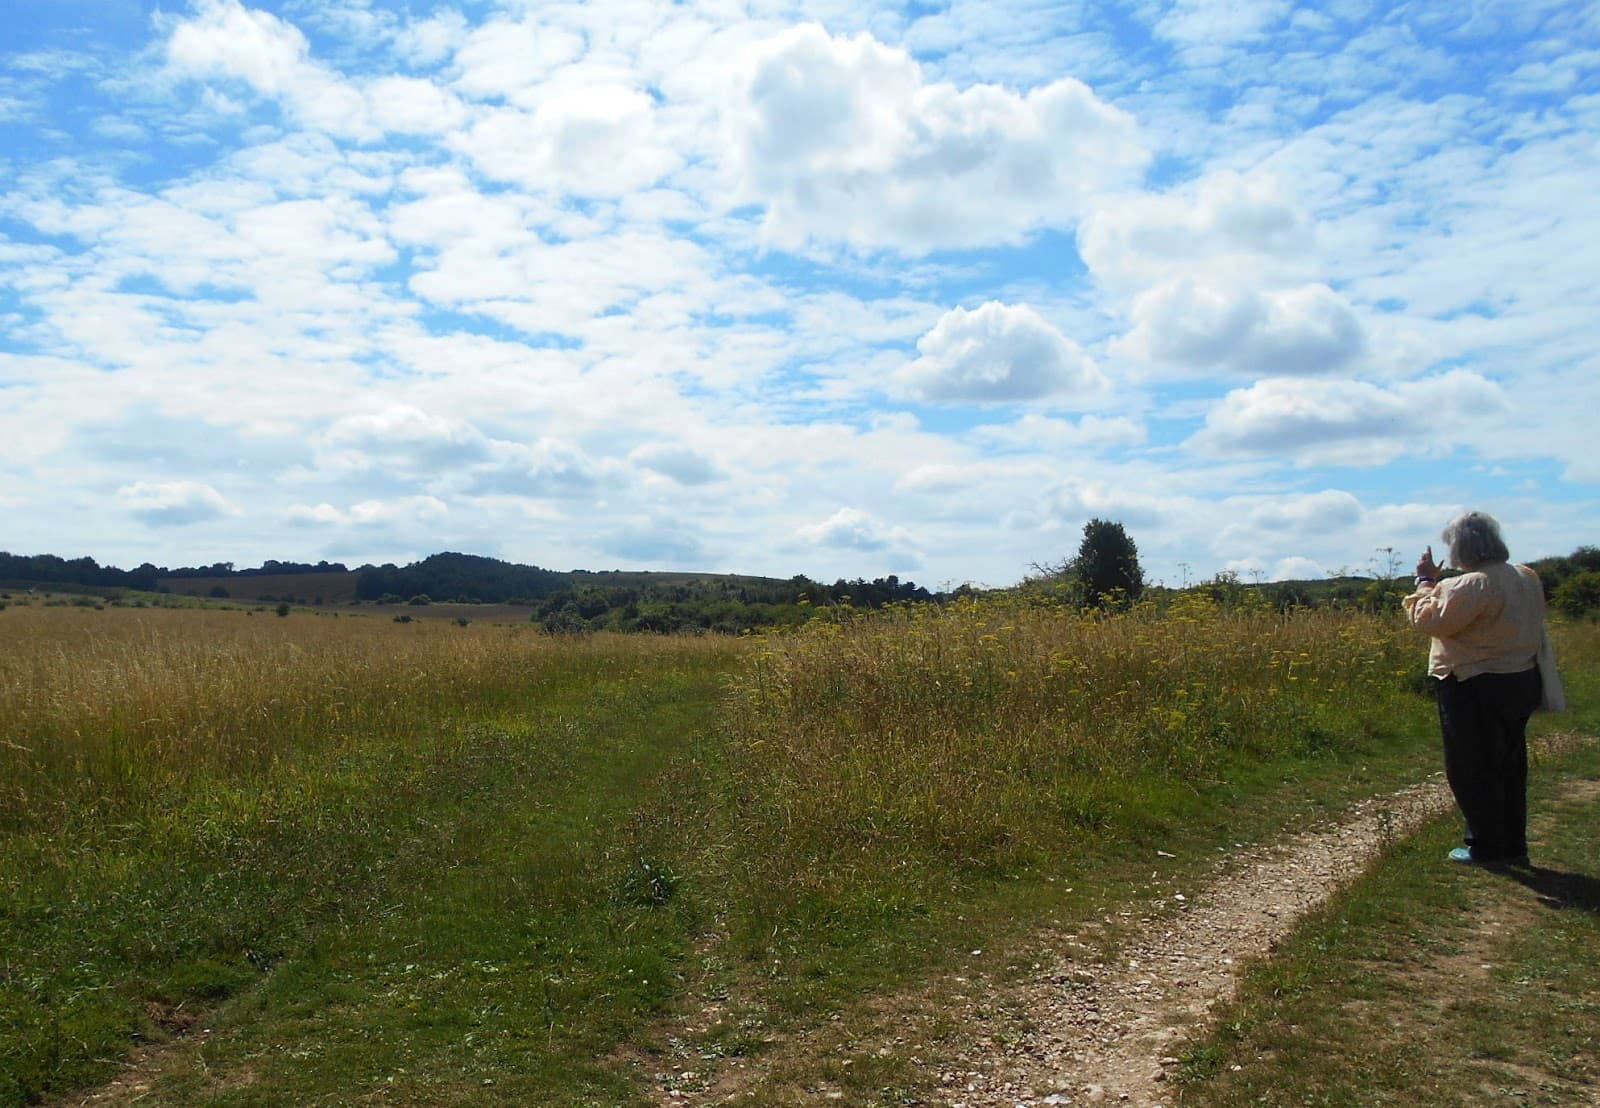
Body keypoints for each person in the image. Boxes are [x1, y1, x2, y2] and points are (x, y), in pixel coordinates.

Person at [1402, 511, 1547, 867]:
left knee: (1472, 766)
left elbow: (1431, 621)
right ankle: (1513, 844)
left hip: (1474, 683)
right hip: (1521, 679)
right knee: (1509, 764)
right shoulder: (1525, 577)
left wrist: (1424, 581)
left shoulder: (1472, 584)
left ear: (1461, 548)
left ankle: (1486, 847)